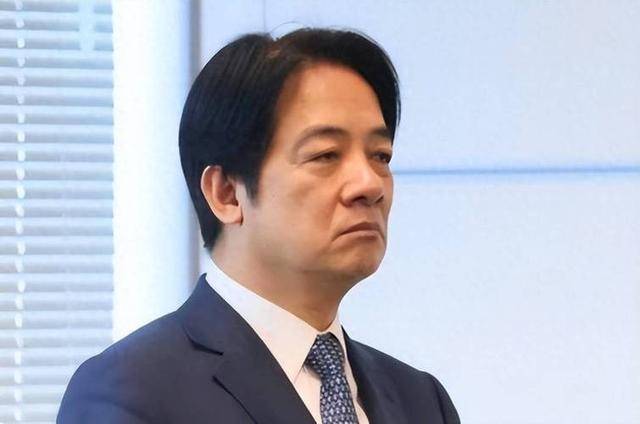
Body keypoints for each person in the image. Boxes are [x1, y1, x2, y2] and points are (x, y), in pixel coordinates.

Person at [58, 28, 460, 424]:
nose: (370, 185)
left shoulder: (423, 401)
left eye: (381, 156)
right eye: (326, 155)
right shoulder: (133, 391)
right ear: (226, 194)